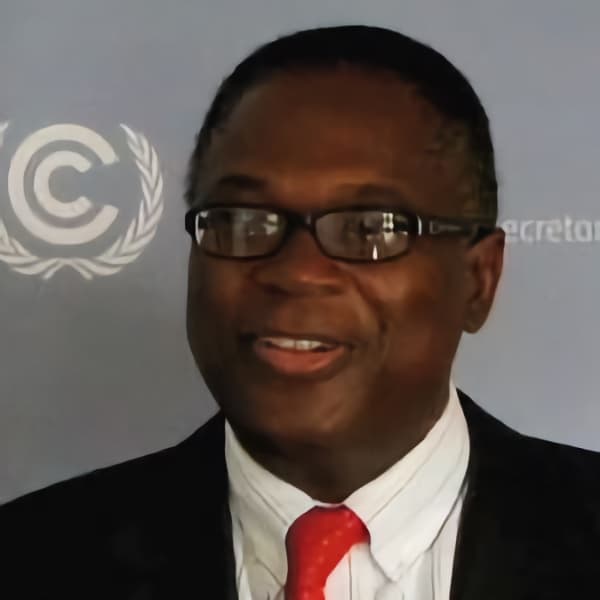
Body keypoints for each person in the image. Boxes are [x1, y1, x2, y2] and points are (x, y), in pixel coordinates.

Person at [1, 25, 599, 600]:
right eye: (243, 220)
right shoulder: (29, 561)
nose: (296, 271)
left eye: (370, 228)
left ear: (478, 280)